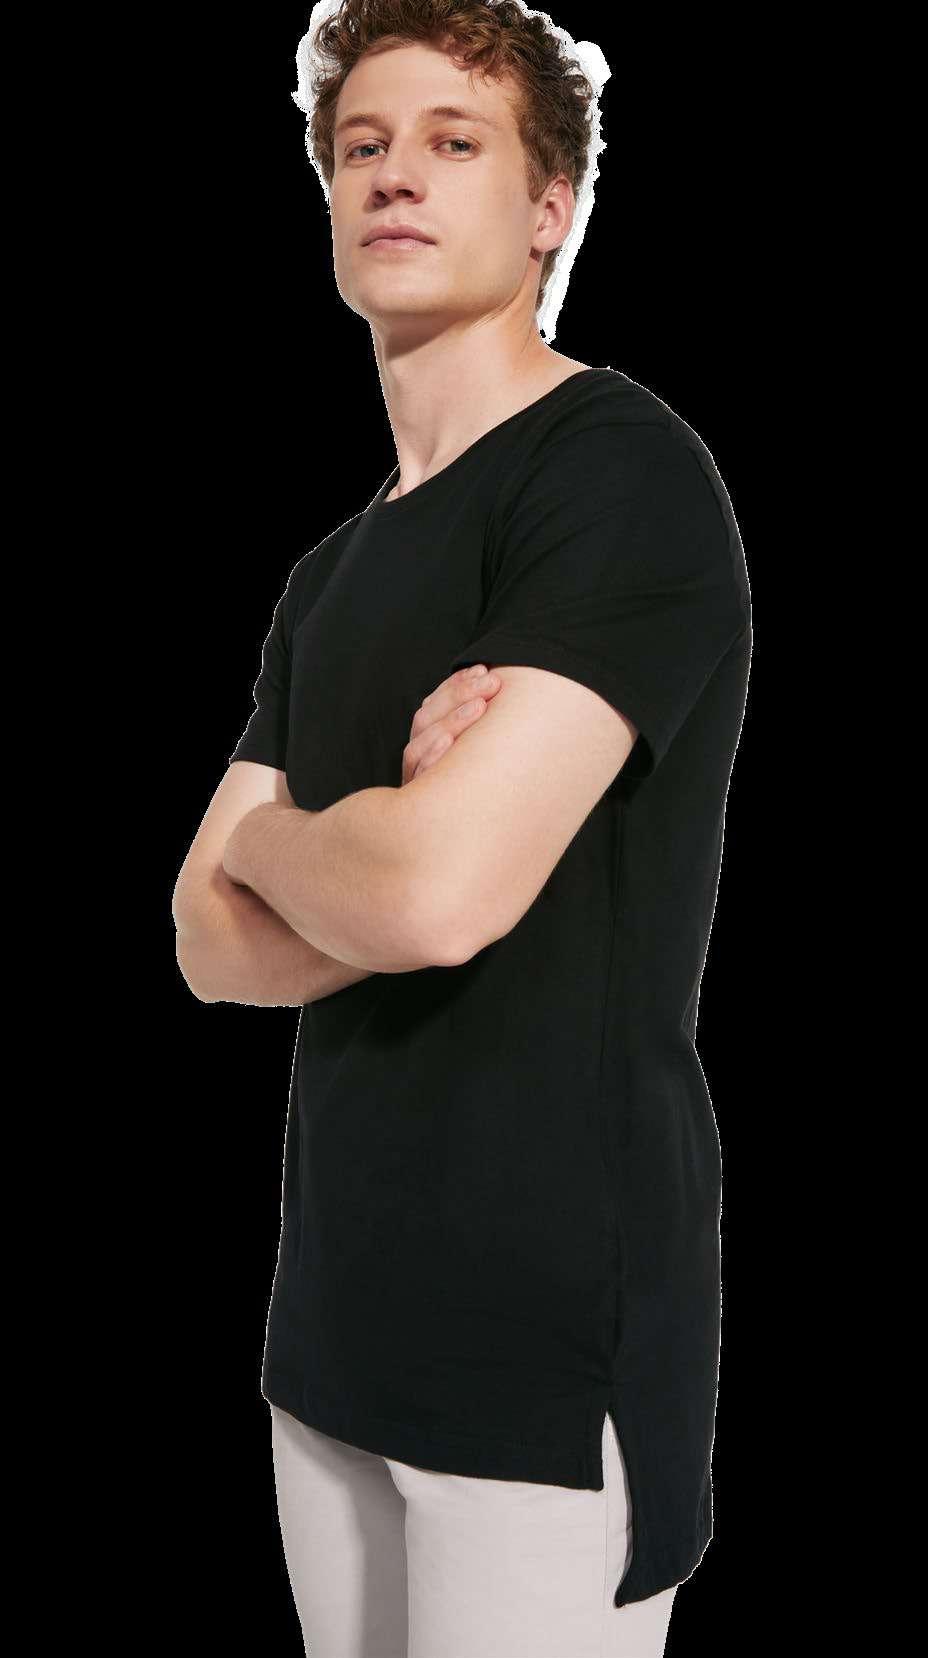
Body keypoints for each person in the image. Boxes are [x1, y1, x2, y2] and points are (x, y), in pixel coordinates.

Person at [173, 4, 751, 1653]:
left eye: (453, 141)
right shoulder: (331, 572)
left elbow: (433, 900)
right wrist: (355, 834)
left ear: (551, 205)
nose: (395, 176)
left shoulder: (619, 475)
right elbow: (204, 939)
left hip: (542, 1352)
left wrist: (297, 839)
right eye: (363, 145)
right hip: (334, 1332)